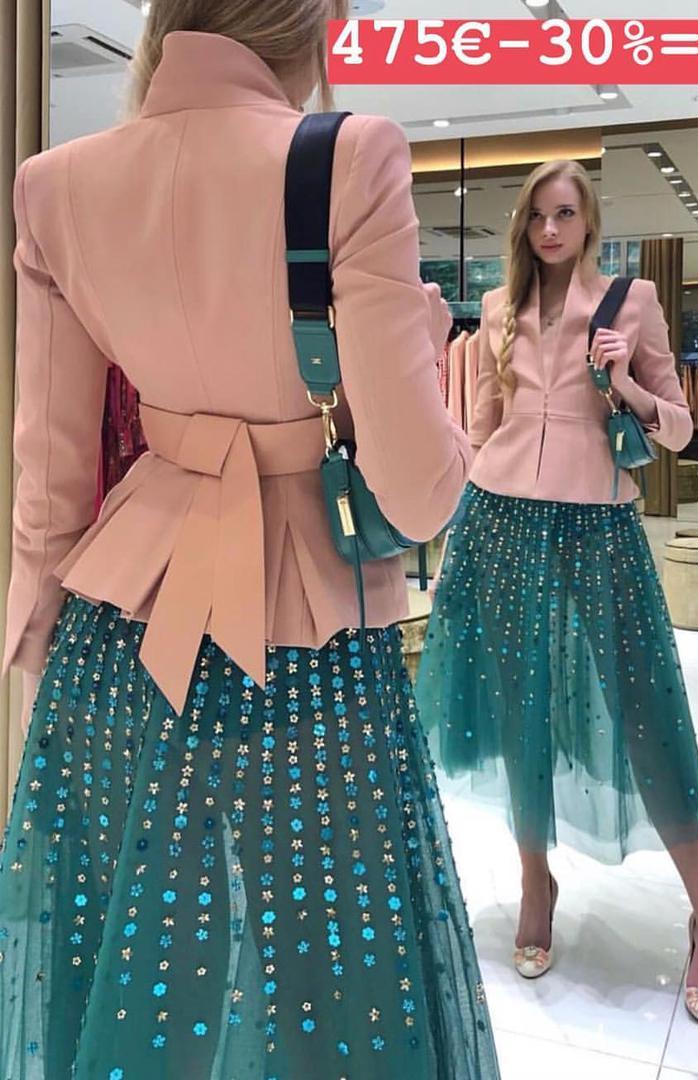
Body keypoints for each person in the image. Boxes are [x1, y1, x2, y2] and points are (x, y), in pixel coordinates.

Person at [0, 4, 501, 1077]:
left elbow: (51, 469)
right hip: (309, 642)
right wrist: (425, 348)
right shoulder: (346, 154)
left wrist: (35, 636)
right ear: (319, 18)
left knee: (144, 979)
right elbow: (419, 497)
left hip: (119, 638)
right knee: (327, 987)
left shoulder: (55, 184)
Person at [416, 160, 698, 1026]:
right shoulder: (495, 311)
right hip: (500, 521)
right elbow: (482, 430)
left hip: (597, 528)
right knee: (519, 707)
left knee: (642, 707)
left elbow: (679, 430)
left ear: (588, 222)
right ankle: (534, 882)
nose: (549, 229)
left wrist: (623, 382)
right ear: (522, 227)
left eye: (564, 214)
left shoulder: (631, 303)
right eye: (536, 216)